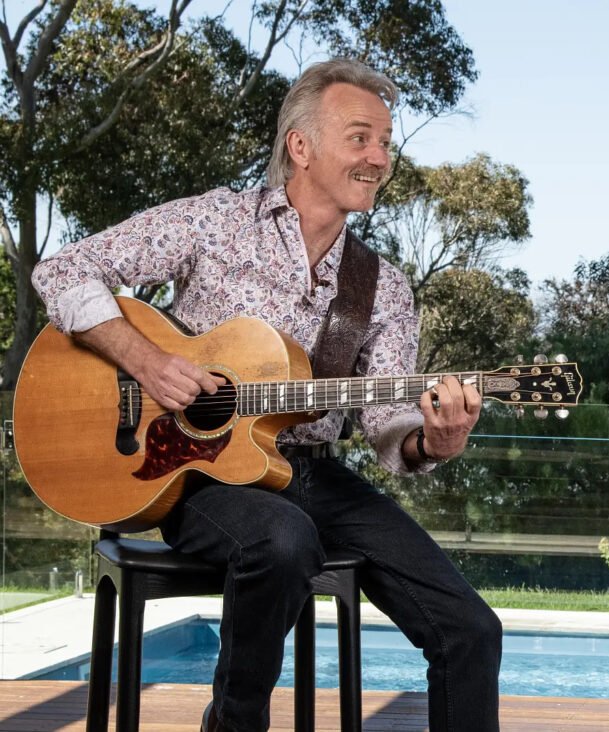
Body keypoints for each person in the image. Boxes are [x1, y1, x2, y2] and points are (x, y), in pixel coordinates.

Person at [32, 59, 502, 732]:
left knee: (471, 629)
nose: (380, 158)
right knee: (284, 539)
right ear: (300, 146)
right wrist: (149, 361)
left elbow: (388, 422)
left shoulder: (383, 288)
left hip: (310, 473)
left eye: (387, 143)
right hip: (189, 473)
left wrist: (436, 438)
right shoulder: (213, 223)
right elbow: (64, 268)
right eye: (362, 138)